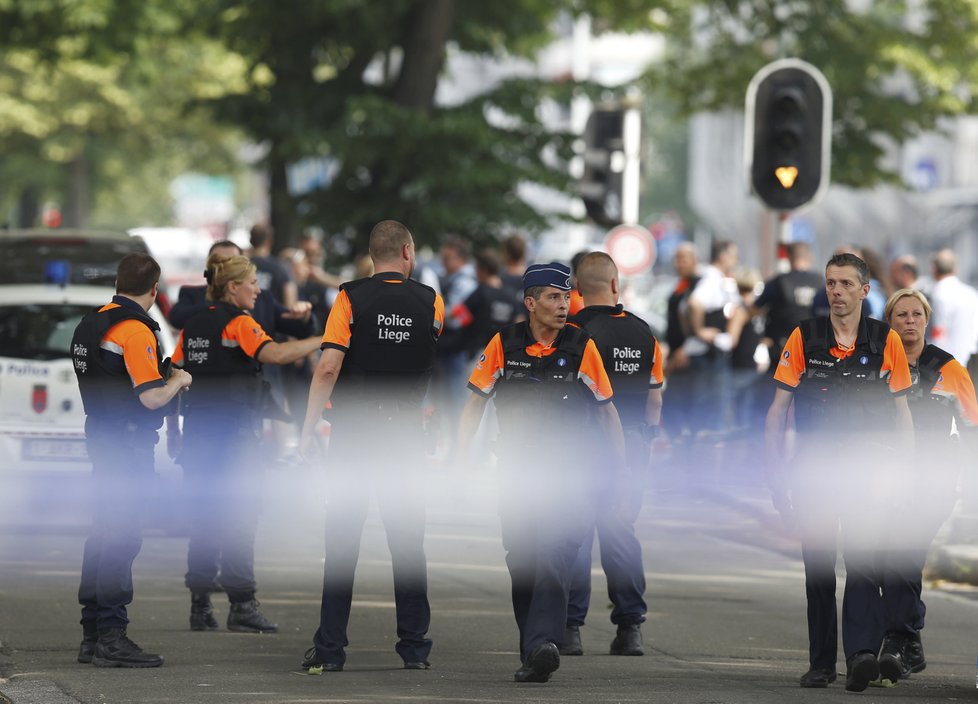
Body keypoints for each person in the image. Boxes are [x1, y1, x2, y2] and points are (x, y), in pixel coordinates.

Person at [455, 262, 627, 684]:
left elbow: (608, 412)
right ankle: (533, 649)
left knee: (553, 556)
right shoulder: (503, 343)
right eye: (553, 297)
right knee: (523, 560)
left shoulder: (582, 345)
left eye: (567, 297)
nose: (563, 305)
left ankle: (544, 644)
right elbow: (475, 402)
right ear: (530, 303)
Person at [298, 220, 444, 673]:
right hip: (404, 434)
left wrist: (306, 431)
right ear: (407, 252)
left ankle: (330, 651)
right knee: (407, 542)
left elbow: (328, 368)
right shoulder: (430, 301)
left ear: (372, 253)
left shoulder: (349, 297)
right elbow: (426, 355)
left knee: (342, 542)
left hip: (355, 434)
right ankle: (415, 648)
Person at [765, 253, 914, 692]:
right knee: (819, 571)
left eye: (846, 284)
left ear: (865, 291)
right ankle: (821, 665)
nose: (836, 291)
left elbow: (902, 416)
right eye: (831, 283)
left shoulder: (884, 340)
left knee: (863, 565)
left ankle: (861, 656)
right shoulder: (804, 337)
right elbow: (777, 412)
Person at [170, 253, 322, 634]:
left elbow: (175, 372)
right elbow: (275, 354)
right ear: (233, 287)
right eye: (252, 283)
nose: (258, 290)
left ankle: (200, 607)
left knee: (204, 519)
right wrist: (324, 339)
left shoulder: (193, 326)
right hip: (235, 440)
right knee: (240, 519)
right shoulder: (240, 323)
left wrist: (173, 431)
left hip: (198, 437)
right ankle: (242, 605)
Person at [71, 253, 193, 667]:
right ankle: (112, 636)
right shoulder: (135, 330)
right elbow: (150, 395)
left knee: (103, 532)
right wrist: (177, 378)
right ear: (155, 290)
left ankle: (92, 634)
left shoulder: (90, 325)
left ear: (118, 281)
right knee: (122, 536)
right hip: (126, 447)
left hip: (102, 439)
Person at [560, 252, 662, 658]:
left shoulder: (570, 331)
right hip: (633, 443)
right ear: (616, 285)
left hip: (582, 443)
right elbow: (654, 399)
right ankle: (631, 628)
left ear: (577, 291)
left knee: (577, 534)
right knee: (620, 531)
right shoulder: (644, 332)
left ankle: (570, 630)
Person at [878, 288, 978, 683]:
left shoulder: (949, 368)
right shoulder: (878, 367)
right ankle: (909, 640)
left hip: (934, 480)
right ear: (890, 322)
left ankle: (901, 640)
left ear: (926, 319)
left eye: (916, 314)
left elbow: (972, 430)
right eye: (901, 315)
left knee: (903, 551)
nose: (909, 321)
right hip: (885, 479)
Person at [753, 242, 823, 371]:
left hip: (782, 349)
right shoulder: (821, 283)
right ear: (809, 258)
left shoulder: (778, 281)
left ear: (789, 258)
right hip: (814, 349)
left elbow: (755, 309)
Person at [928, 248, 978, 367]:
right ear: (955, 269)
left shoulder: (938, 294)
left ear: (934, 269)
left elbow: (938, 334)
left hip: (946, 365)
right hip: (970, 362)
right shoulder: (971, 293)